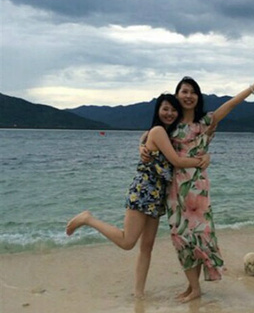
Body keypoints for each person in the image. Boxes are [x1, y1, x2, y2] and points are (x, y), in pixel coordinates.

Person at [143, 68, 254, 303]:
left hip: (197, 187)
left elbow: (232, 104)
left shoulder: (205, 122)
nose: (188, 96)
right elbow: (148, 136)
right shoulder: (170, 124)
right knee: (180, 237)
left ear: (198, 97)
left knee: (198, 235)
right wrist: (142, 148)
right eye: (184, 91)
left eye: (193, 92)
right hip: (175, 188)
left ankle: (195, 288)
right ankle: (193, 286)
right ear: (177, 95)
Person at [66, 93, 210, 298]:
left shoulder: (166, 134)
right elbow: (177, 161)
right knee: (127, 241)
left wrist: (141, 144)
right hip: (144, 190)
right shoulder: (159, 131)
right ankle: (88, 219)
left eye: (173, 110)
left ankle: (139, 292)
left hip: (158, 195)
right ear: (158, 110)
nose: (169, 113)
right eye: (165, 109)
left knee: (146, 247)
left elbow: (145, 137)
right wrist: (202, 161)